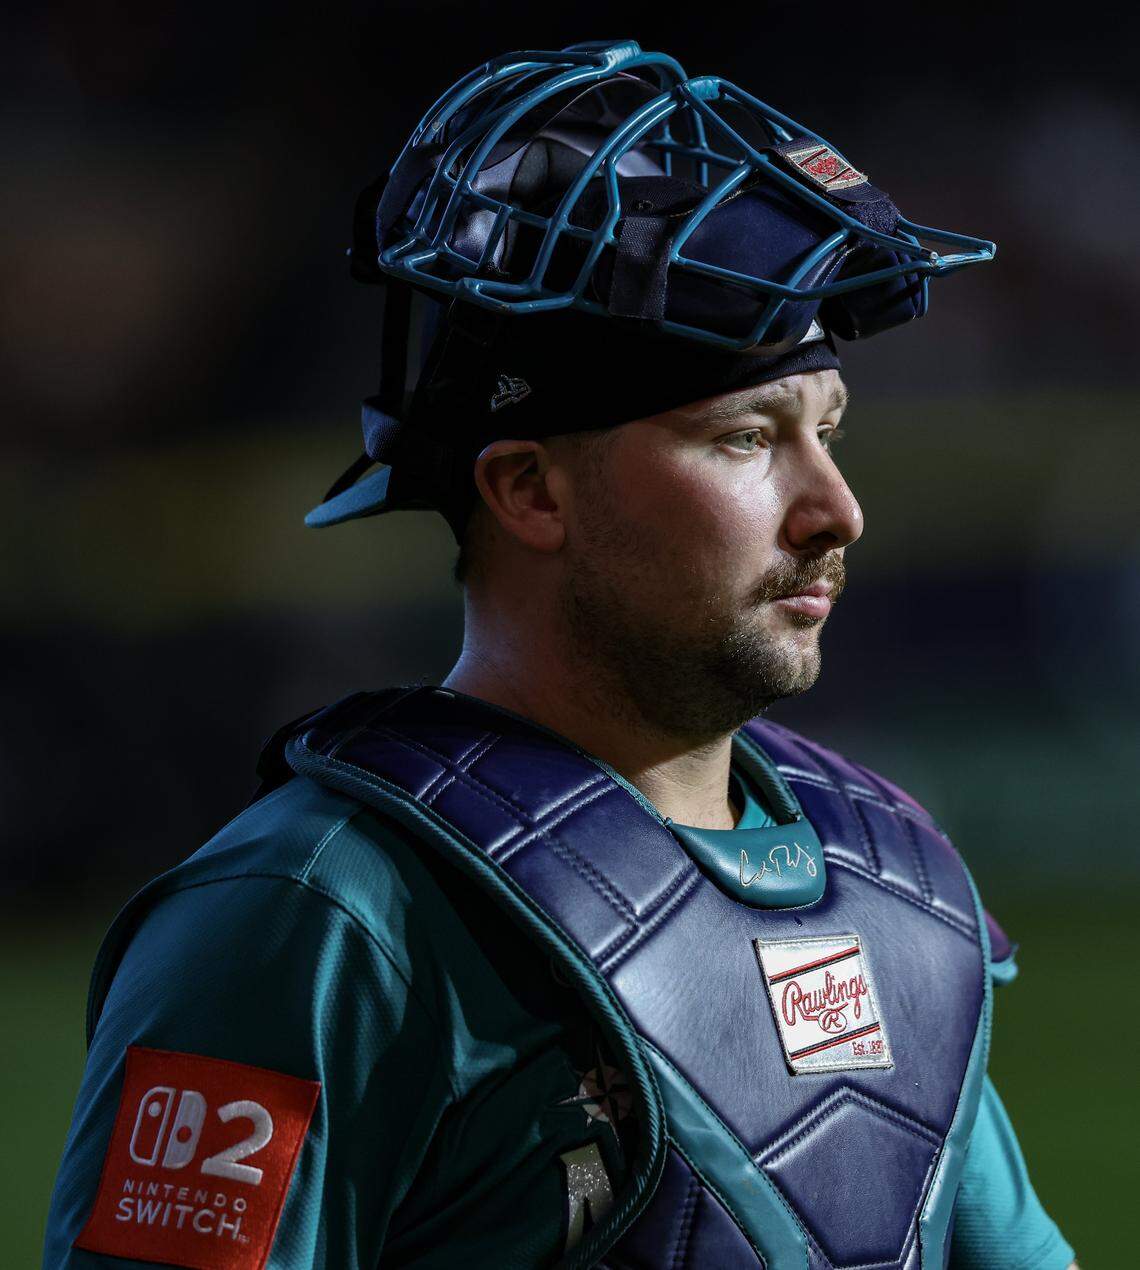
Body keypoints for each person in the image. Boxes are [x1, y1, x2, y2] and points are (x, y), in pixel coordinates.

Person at [43, 39, 1077, 1270]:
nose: (836, 509)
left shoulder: (896, 891)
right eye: (747, 438)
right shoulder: (318, 922)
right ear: (530, 490)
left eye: (829, 431)